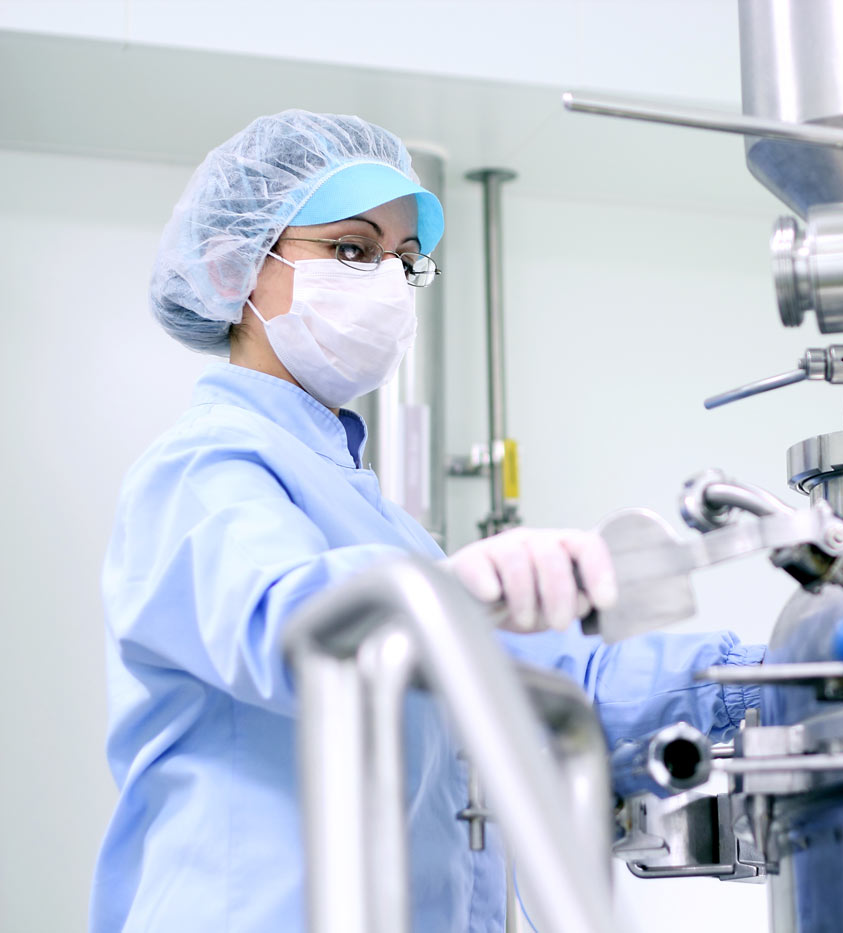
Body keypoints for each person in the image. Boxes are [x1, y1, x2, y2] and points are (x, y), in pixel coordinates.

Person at [91, 109, 764, 932]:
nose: (385, 282)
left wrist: (766, 675)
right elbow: (291, 625)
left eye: (404, 263)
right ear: (235, 266)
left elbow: (557, 682)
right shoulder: (201, 469)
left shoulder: (379, 521)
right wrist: (449, 589)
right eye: (351, 250)